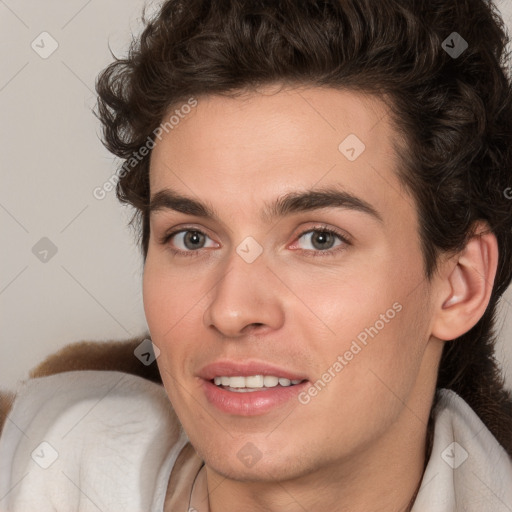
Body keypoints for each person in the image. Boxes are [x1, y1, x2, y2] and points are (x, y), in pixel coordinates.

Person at [1, 0, 512, 510]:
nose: (231, 310)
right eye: (193, 238)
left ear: (459, 284)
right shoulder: (38, 467)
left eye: (319, 239)